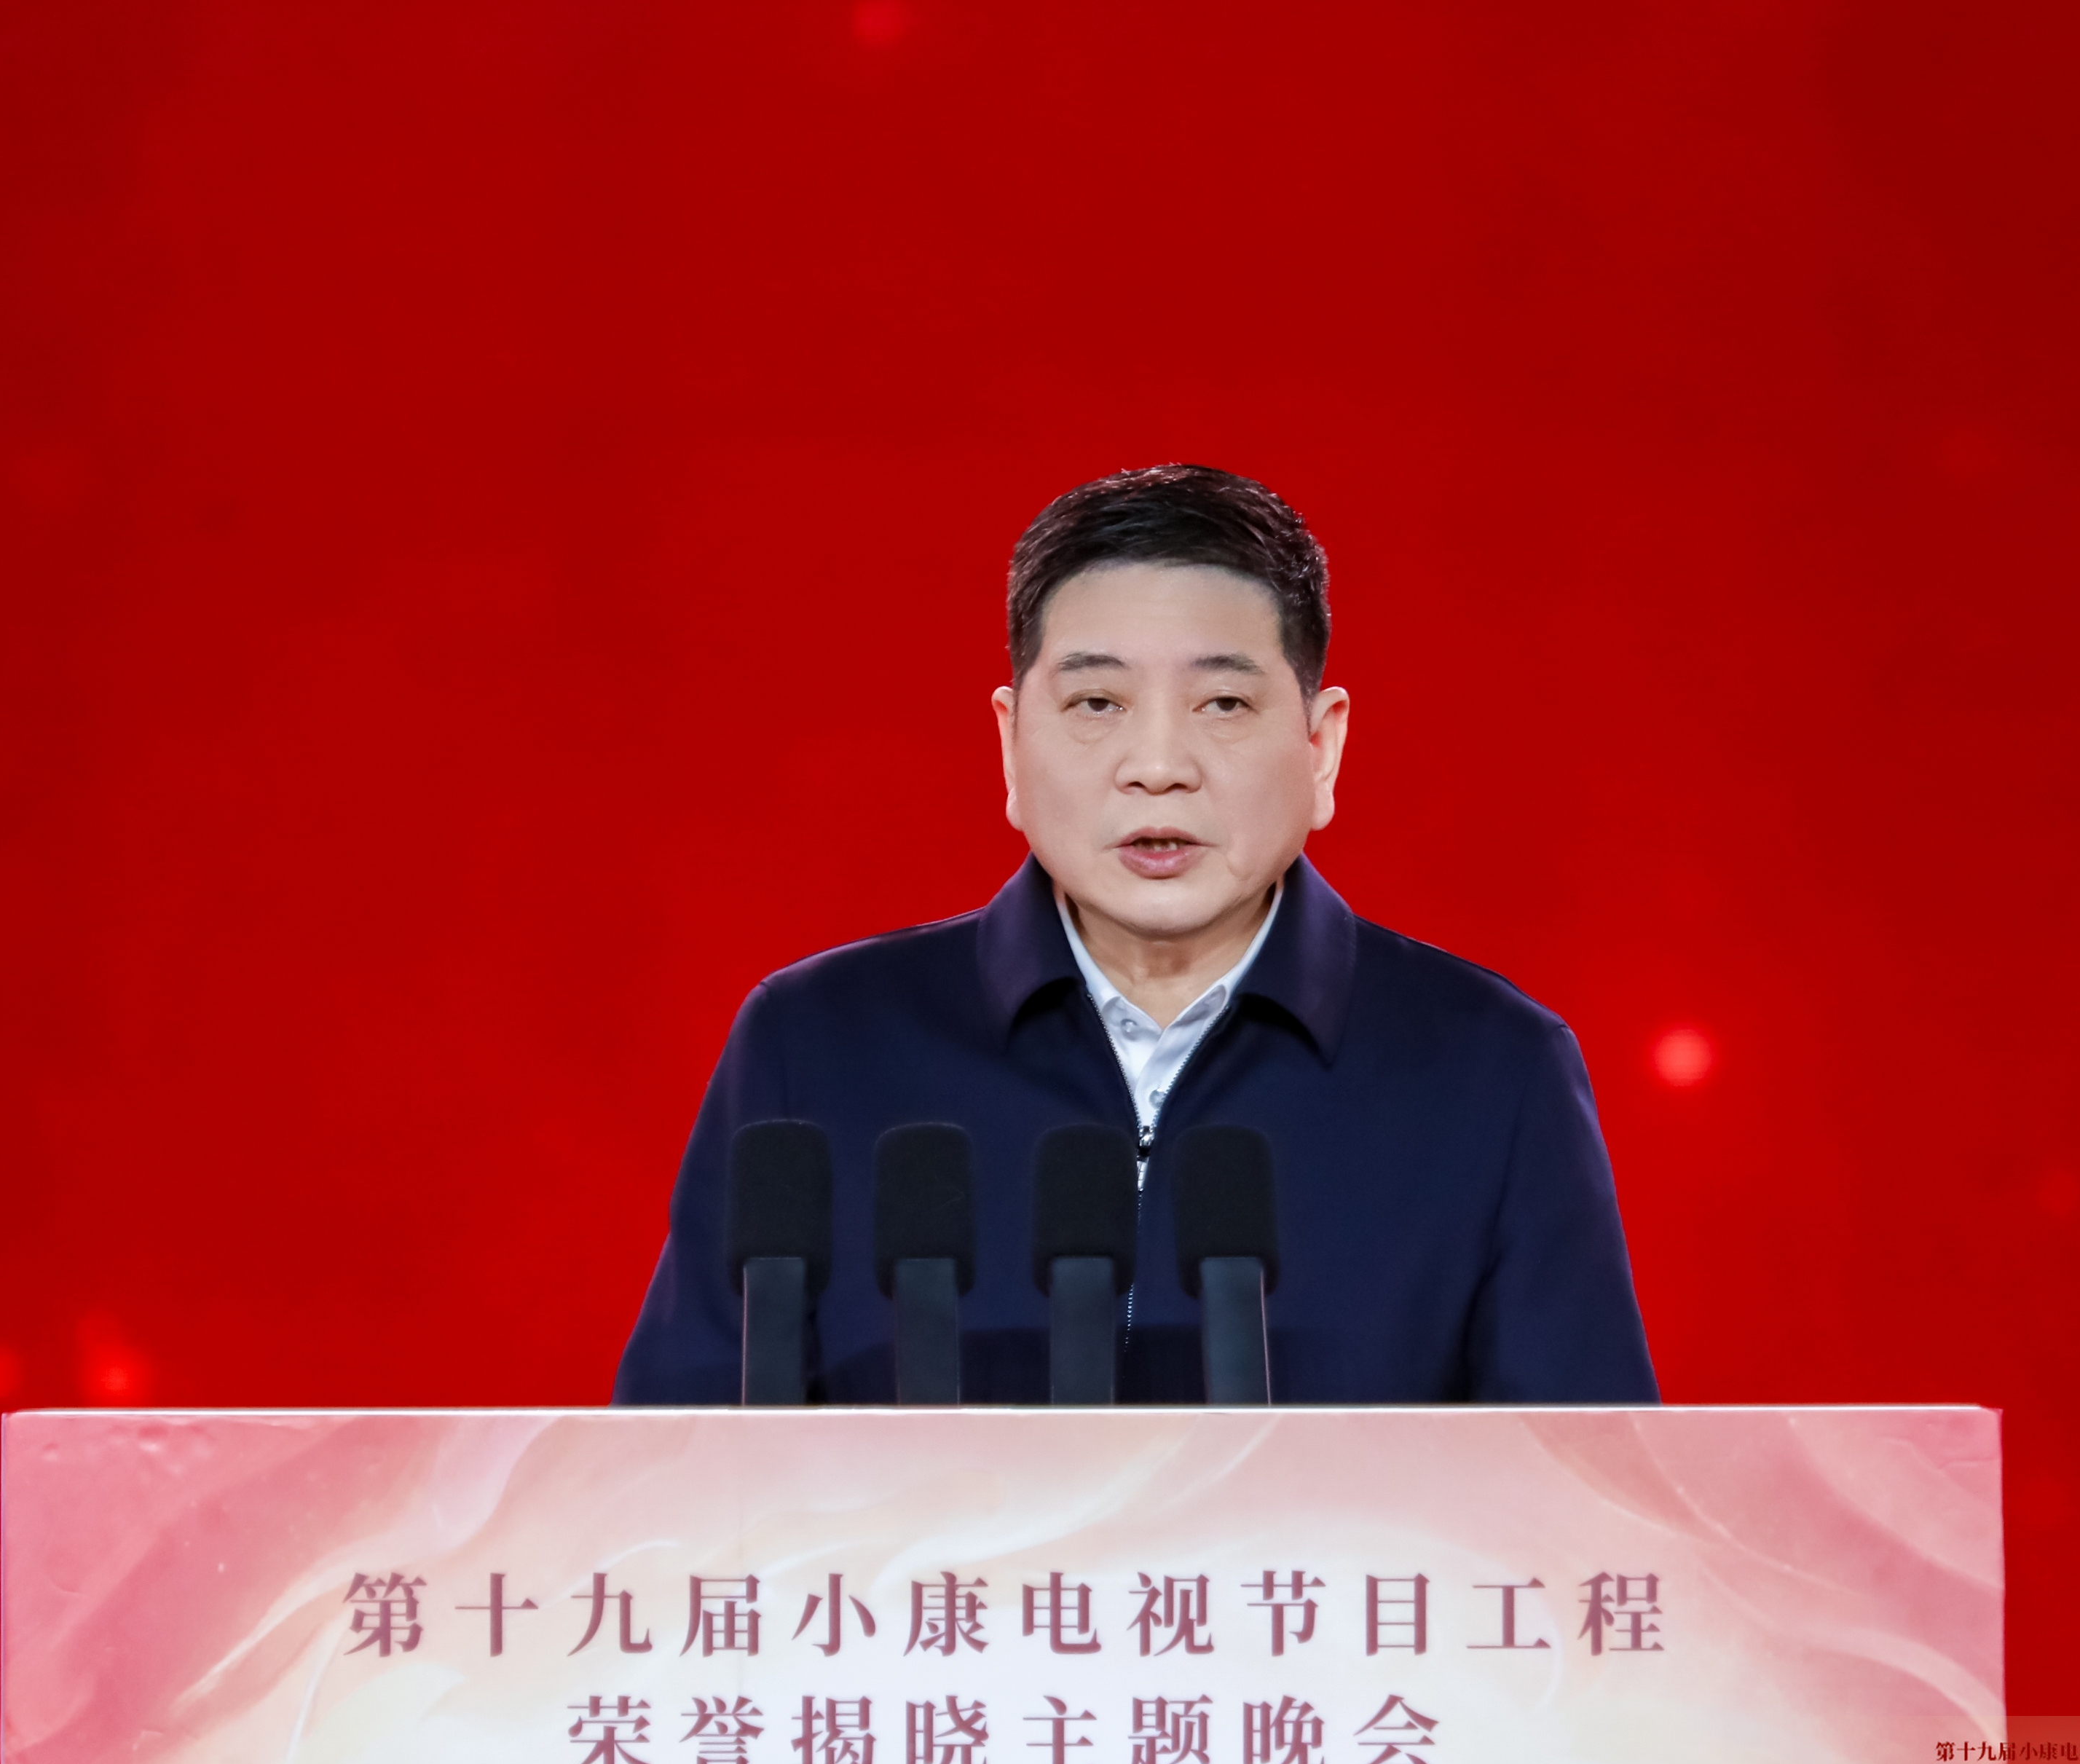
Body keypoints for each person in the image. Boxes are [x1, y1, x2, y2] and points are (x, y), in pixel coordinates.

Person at [612, 465, 1655, 1406]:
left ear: (1322, 748)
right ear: (1010, 745)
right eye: (1098, 702)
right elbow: (665, 1491)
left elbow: (1590, 1514)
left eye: (1224, 703)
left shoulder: (1490, 1070)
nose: (1158, 766)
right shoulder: (816, 1044)